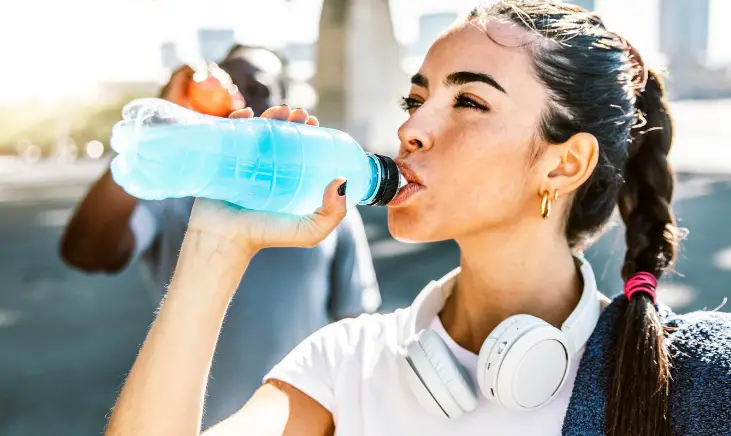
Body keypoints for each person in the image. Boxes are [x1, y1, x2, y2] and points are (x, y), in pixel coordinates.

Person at [103, 2, 731, 436]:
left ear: (564, 166)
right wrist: (218, 237)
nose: (410, 129)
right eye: (415, 98)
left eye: (468, 100)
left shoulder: (684, 379)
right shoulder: (344, 363)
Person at [60, 44, 380, 429]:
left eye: (257, 88)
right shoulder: (178, 193)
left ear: (284, 103)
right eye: (232, 82)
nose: (240, 98)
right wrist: (151, 141)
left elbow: (355, 328)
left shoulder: (328, 202)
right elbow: (87, 251)